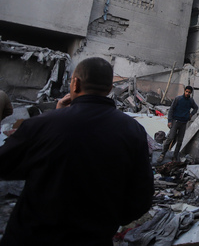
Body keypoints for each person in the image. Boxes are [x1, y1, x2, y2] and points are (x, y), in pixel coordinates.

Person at [0, 57, 154, 245]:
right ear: (108, 89)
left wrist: (56, 116)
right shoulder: (133, 131)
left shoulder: (42, 125)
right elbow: (142, 197)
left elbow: (6, 165)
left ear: (75, 83)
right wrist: (108, 221)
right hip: (93, 238)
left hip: (32, 236)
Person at [157, 86, 199, 163]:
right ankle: (163, 154)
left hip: (183, 123)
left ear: (191, 93)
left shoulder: (190, 101)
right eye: (186, 91)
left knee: (180, 141)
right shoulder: (178, 99)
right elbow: (171, 110)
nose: (187, 93)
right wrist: (169, 121)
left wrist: (191, 114)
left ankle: (175, 156)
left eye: (189, 92)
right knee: (170, 138)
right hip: (175, 121)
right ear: (184, 91)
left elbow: (196, 108)